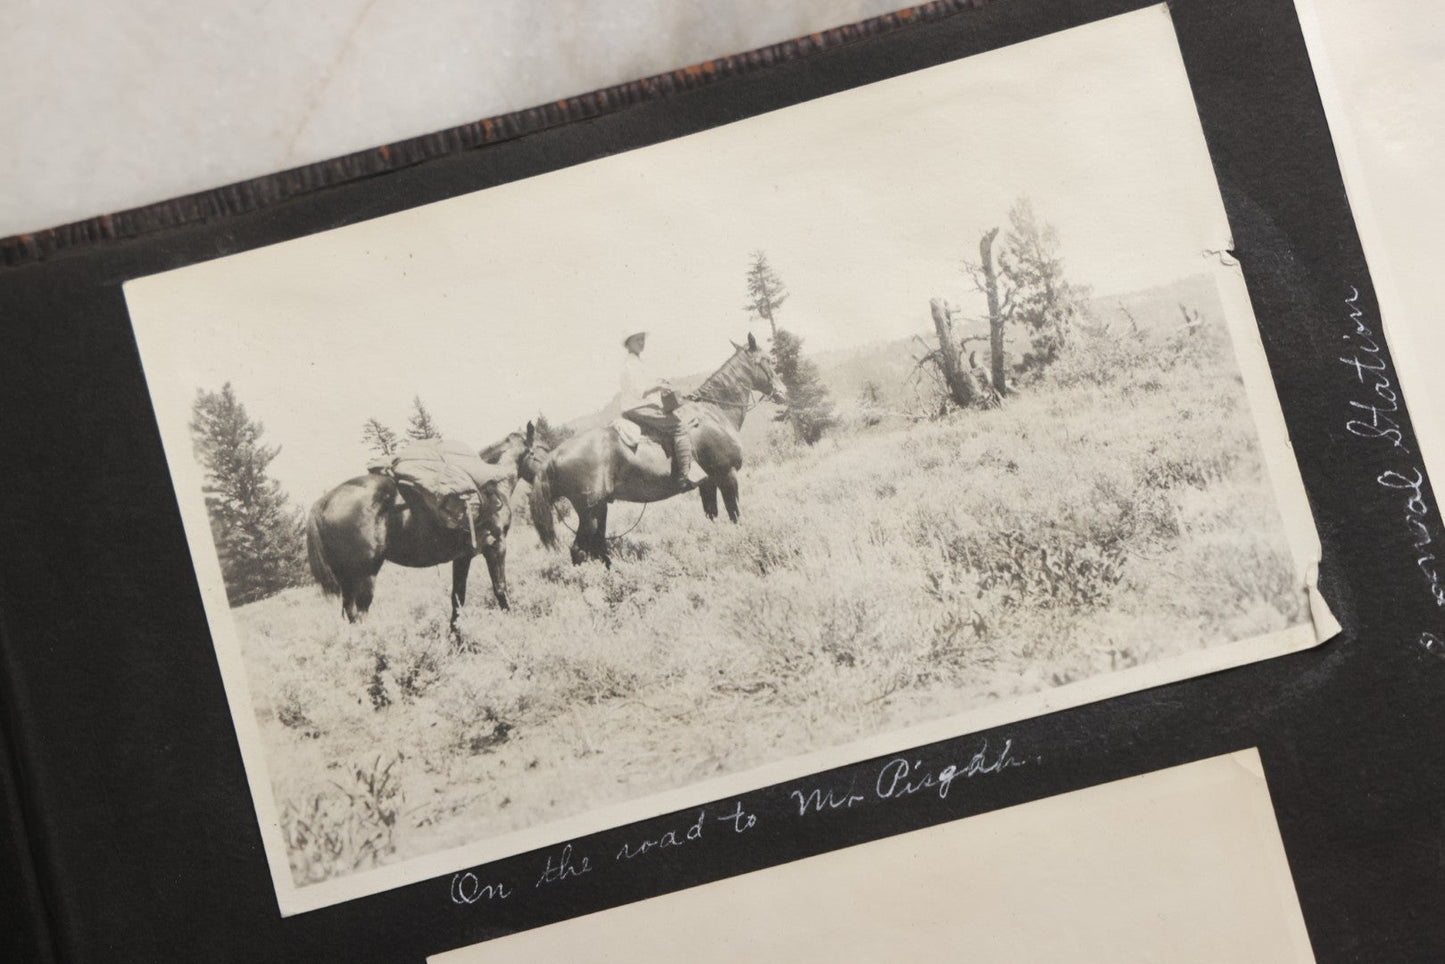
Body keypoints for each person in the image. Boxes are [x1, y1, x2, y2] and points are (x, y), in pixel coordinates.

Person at [617, 330, 693, 490]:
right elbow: (640, 391)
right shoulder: (629, 365)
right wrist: (658, 386)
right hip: (638, 407)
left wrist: (659, 384)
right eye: (638, 339)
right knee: (679, 426)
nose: (641, 342)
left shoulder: (637, 362)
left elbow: (646, 386)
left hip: (639, 406)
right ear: (628, 343)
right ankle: (684, 477)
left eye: (642, 339)